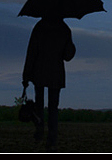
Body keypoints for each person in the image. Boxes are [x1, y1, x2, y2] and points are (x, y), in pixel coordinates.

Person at [23, 14, 76, 150]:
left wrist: (26, 75)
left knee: (39, 104)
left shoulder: (39, 27)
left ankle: (39, 133)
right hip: (55, 73)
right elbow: (68, 56)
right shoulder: (64, 28)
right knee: (53, 108)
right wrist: (71, 46)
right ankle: (52, 139)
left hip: (39, 72)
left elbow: (31, 51)